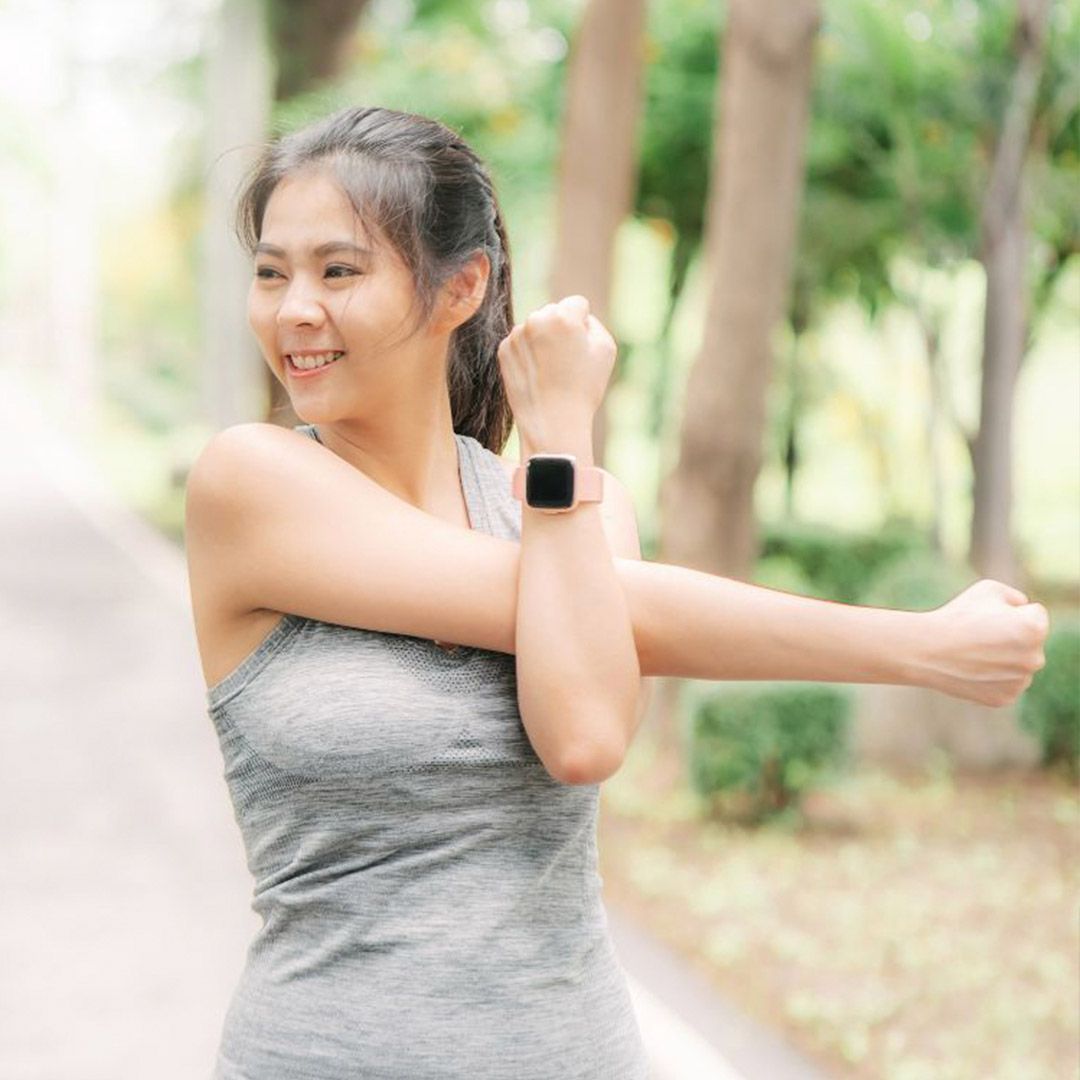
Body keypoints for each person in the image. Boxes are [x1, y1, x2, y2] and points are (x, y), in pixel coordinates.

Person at [183, 105, 1049, 1079]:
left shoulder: (572, 519)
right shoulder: (247, 485)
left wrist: (561, 448)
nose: (293, 307)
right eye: (272, 271)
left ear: (459, 286)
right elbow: (612, 618)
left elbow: (584, 735)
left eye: (338, 270)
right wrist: (920, 649)